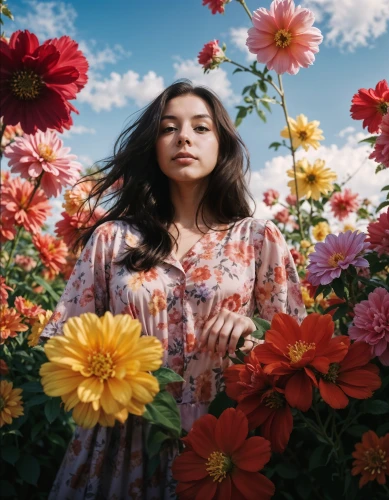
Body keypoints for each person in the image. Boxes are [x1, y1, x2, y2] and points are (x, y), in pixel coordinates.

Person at [40, 79, 306, 499]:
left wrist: (249, 329)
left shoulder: (257, 238)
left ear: (223, 146)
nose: (184, 136)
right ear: (154, 145)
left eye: (201, 128)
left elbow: (296, 349)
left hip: (227, 439)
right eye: (168, 128)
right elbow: (63, 345)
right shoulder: (113, 239)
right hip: (125, 438)